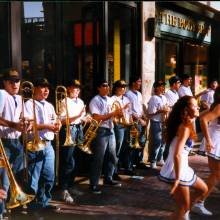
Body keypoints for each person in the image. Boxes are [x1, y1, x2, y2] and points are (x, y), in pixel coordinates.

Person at [159, 96, 210, 220]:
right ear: (186, 110)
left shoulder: (188, 121)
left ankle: (185, 212)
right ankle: (184, 212)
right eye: (194, 105)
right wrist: (177, 178)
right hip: (177, 169)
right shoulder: (185, 127)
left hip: (183, 167)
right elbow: (177, 154)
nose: (198, 107)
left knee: (203, 189)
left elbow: (201, 115)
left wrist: (210, 109)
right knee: (182, 208)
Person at [25, 77, 61, 210]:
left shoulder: (50, 105)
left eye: (47, 88)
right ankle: (31, 205)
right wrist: (47, 126)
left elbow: (55, 120)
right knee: (33, 176)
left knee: (49, 175)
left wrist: (58, 124)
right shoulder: (28, 104)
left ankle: (43, 202)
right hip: (34, 143)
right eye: (42, 87)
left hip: (48, 144)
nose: (46, 90)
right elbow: (28, 126)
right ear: (34, 89)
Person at [89, 79, 122, 194]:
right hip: (100, 130)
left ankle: (108, 178)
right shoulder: (95, 100)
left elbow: (114, 115)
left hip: (110, 129)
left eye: (108, 86)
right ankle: (94, 184)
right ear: (98, 88)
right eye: (104, 86)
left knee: (112, 155)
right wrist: (113, 114)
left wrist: (119, 113)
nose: (107, 88)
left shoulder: (110, 99)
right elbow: (97, 117)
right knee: (99, 158)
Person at [59, 79, 88, 203]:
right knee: (67, 160)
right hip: (69, 130)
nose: (76, 90)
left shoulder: (81, 101)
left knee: (77, 159)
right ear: (68, 89)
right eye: (74, 88)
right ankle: (64, 190)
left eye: (78, 88)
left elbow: (82, 117)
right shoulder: (63, 101)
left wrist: (86, 118)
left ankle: (71, 186)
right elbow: (61, 120)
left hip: (79, 129)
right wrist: (77, 116)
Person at [194, 86, 220, 216]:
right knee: (216, 174)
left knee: (216, 174)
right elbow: (203, 120)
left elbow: (201, 117)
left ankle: (196, 201)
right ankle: (198, 202)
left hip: (215, 140)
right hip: (216, 142)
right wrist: (209, 140)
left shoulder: (216, 105)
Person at [125, 76, 147, 173]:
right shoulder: (128, 94)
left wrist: (144, 117)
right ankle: (129, 165)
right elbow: (129, 110)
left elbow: (140, 107)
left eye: (140, 81)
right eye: (138, 81)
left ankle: (139, 161)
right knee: (132, 143)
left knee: (141, 142)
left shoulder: (139, 94)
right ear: (133, 83)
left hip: (141, 120)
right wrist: (139, 119)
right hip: (134, 121)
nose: (140, 83)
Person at [111, 80, 131, 180]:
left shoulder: (126, 98)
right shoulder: (113, 99)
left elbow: (129, 112)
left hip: (126, 124)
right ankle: (114, 171)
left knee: (125, 147)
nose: (123, 89)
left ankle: (126, 167)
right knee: (117, 148)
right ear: (116, 88)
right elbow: (114, 113)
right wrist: (123, 108)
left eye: (124, 87)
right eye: (121, 87)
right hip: (118, 125)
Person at [148, 80, 169, 169]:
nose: (163, 87)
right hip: (156, 121)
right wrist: (161, 111)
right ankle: (153, 160)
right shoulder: (153, 98)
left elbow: (167, 107)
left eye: (163, 86)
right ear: (156, 87)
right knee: (156, 142)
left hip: (163, 121)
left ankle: (160, 158)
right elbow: (150, 112)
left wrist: (167, 110)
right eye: (161, 86)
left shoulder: (164, 97)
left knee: (163, 141)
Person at [198, 79, 218, 155]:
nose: (214, 85)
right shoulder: (207, 92)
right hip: (210, 111)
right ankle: (205, 147)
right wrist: (209, 108)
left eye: (215, 83)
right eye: (213, 83)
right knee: (210, 128)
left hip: (213, 111)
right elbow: (203, 102)